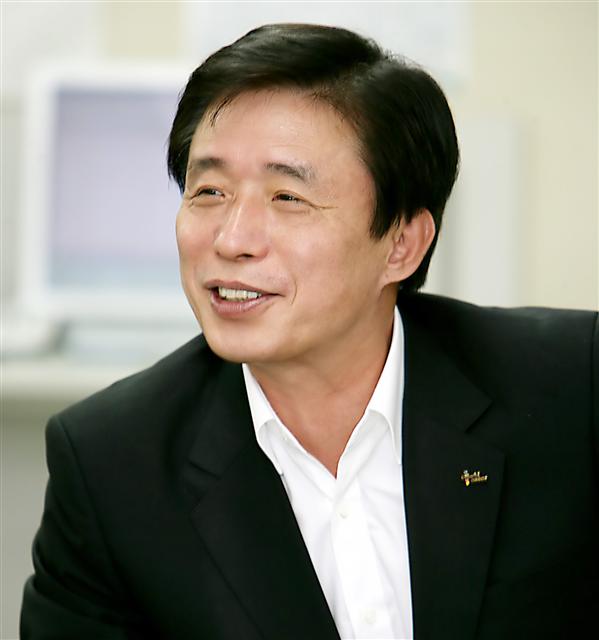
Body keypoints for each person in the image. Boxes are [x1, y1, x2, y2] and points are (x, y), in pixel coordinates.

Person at [21, 23, 598, 640]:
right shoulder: (112, 469)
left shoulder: (572, 388)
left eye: (288, 197)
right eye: (209, 191)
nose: (232, 239)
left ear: (402, 244)